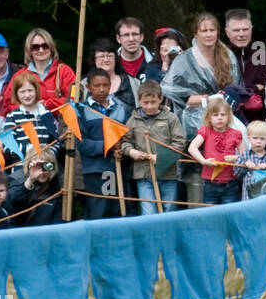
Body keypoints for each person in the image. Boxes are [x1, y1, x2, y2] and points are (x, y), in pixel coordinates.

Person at [161, 13, 243, 139]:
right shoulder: (183, 61)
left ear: (217, 32)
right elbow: (181, 96)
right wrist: (209, 99)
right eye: (204, 31)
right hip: (194, 124)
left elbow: (235, 88)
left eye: (212, 30)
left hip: (225, 118)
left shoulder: (228, 56)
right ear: (196, 33)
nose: (209, 34)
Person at [124, 81, 186, 215]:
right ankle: (150, 236)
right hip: (144, 175)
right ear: (139, 100)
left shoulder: (170, 118)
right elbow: (124, 141)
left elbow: (179, 143)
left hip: (167, 175)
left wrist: (162, 157)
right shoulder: (133, 120)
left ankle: (168, 235)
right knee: (148, 213)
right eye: (145, 103)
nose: (150, 106)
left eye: (153, 102)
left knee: (170, 210)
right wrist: (130, 151)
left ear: (160, 99)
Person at [78, 69, 130, 220]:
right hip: (94, 170)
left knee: (116, 211)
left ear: (110, 86)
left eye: (105, 85)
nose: (101, 89)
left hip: (117, 167)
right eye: (97, 86)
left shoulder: (119, 109)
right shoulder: (81, 110)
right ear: (88, 87)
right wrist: (105, 146)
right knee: (98, 211)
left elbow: (127, 137)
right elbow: (82, 144)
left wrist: (122, 150)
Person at [187, 96, 244, 206]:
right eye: (215, 115)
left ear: (229, 117)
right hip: (210, 182)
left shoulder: (235, 134)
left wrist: (236, 158)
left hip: (230, 182)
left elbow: (245, 155)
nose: (219, 118)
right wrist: (203, 161)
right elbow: (192, 148)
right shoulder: (206, 131)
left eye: (223, 115)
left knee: (230, 211)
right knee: (210, 210)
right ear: (209, 118)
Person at [1, 28, 75, 112]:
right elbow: (8, 104)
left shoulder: (64, 71)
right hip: (30, 123)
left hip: (61, 123)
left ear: (51, 47)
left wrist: (45, 104)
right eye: (35, 47)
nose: (41, 50)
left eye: (45, 46)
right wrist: (29, 109)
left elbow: (74, 99)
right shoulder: (20, 75)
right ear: (29, 50)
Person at [224, 8, 266, 123]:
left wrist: (238, 91)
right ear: (227, 32)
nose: (242, 34)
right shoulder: (220, 58)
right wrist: (254, 88)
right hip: (226, 122)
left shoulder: (264, 57)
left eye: (245, 29)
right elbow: (221, 91)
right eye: (236, 30)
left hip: (259, 124)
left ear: (251, 30)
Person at [1, 71, 63, 163]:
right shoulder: (13, 116)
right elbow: (7, 146)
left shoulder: (46, 114)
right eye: (22, 92)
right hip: (21, 165)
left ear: (36, 91)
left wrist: (47, 155)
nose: (27, 95)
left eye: (30, 90)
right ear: (16, 94)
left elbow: (56, 142)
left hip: (45, 163)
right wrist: (31, 152)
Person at [7, 148, 65, 227]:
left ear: (53, 165)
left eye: (46, 166)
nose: (42, 171)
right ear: (29, 165)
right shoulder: (16, 179)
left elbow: (59, 222)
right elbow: (10, 205)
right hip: (19, 233)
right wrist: (30, 180)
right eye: (38, 166)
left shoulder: (59, 186)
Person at [84, 38, 134, 113]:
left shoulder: (133, 83)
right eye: (101, 56)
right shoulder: (82, 85)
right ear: (94, 59)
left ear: (115, 58)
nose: (106, 60)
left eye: (109, 56)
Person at [234, 120, 266, 199]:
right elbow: (236, 174)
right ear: (249, 139)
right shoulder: (244, 155)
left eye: (262, 139)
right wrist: (244, 166)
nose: (258, 141)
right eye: (255, 138)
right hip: (248, 197)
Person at [114, 17, 154, 105]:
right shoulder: (110, 66)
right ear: (118, 38)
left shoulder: (156, 63)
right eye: (126, 35)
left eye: (135, 34)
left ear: (141, 37)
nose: (131, 39)